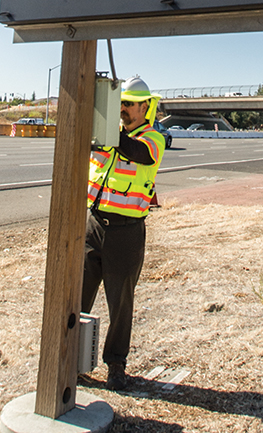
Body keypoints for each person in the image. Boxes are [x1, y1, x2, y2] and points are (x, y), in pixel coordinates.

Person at [81, 76, 166, 391]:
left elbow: (135, 151)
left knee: (120, 304)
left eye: (129, 104)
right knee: (77, 295)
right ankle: (72, 359)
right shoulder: (105, 134)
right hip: (93, 225)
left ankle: (116, 365)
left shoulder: (153, 138)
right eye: (120, 104)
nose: (124, 109)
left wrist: (106, 130)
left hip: (126, 233)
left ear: (145, 107)